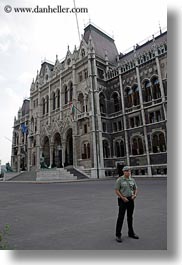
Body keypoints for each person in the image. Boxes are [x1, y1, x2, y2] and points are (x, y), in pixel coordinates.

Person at [115, 166, 139, 242]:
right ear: (123, 172)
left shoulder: (132, 180)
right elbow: (116, 190)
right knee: (120, 217)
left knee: (130, 217)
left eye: (129, 171)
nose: (128, 172)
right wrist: (122, 197)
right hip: (123, 200)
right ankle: (118, 234)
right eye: (126, 171)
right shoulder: (120, 180)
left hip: (131, 199)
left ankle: (131, 233)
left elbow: (136, 188)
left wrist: (135, 195)